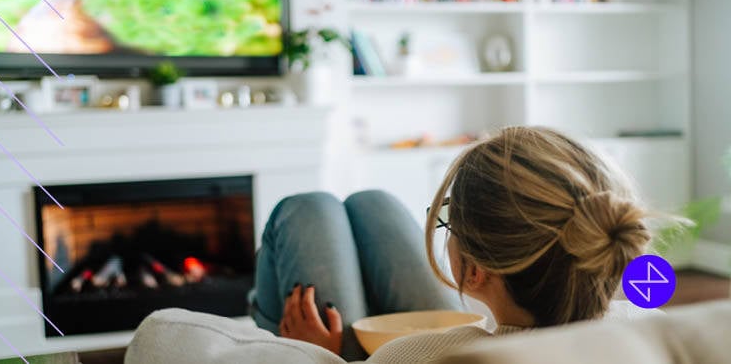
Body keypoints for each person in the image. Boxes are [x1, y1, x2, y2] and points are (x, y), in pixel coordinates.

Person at [249, 126, 656, 362]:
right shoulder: (649, 328)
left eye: (447, 219)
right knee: (373, 204)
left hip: (345, 350)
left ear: (476, 271)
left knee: (308, 208)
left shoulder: (411, 357)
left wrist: (317, 357)